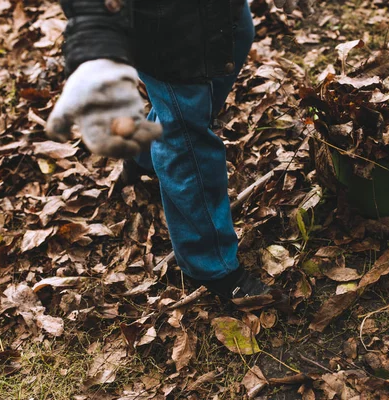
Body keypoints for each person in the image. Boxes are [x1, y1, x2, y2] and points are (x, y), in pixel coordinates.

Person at [47, 0, 314, 301]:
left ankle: (144, 154)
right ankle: (211, 264)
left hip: (215, 12)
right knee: (188, 138)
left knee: (236, 41)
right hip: (162, 28)